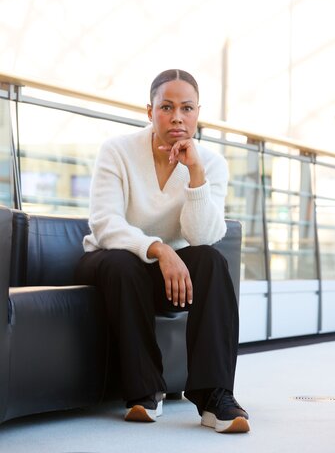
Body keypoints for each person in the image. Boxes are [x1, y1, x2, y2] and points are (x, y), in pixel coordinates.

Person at [75, 69, 250, 434]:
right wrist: (159, 250)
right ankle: (143, 393)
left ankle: (214, 397)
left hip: (166, 279)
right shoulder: (117, 150)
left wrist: (196, 175)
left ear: (197, 113)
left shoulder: (212, 164)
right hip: (111, 264)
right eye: (166, 107)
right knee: (123, 264)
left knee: (212, 262)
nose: (177, 117)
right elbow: (104, 223)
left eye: (186, 108)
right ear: (149, 111)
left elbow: (203, 236)